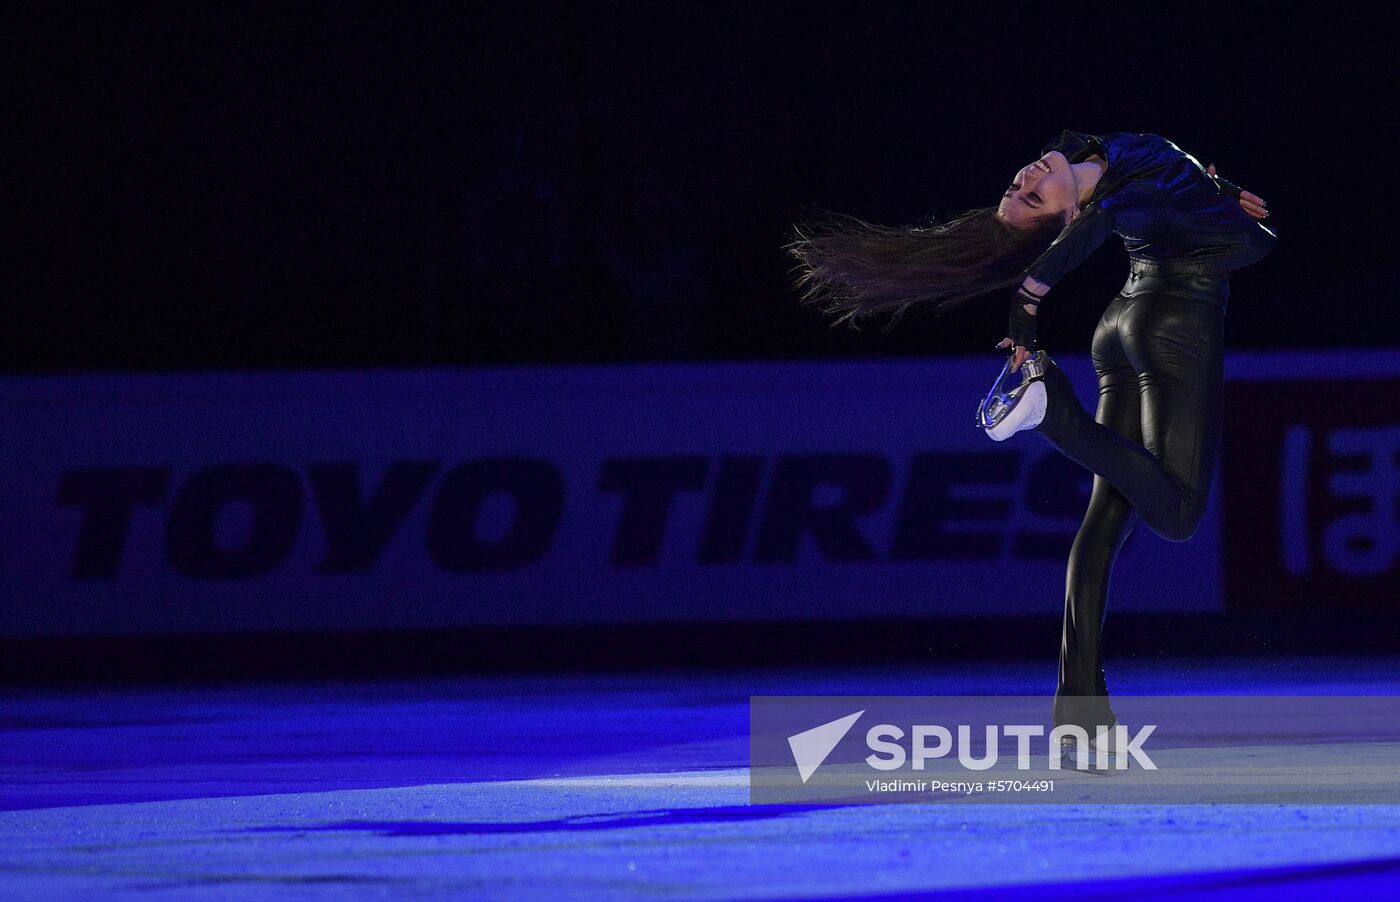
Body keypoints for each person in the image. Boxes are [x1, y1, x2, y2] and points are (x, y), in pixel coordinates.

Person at [785, 129, 1276, 769]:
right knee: (1178, 516)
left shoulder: (1107, 157)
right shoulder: (1108, 205)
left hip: (1124, 321)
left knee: (1104, 527)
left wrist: (1217, 190)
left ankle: (1078, 715)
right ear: (1067, 216)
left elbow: (1172, 172)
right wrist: (1025, 312)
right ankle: (1051, 413)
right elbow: (1073, 251)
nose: (1023, 178)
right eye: (1031, 197)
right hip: (1174, 324)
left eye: (1016, 188)